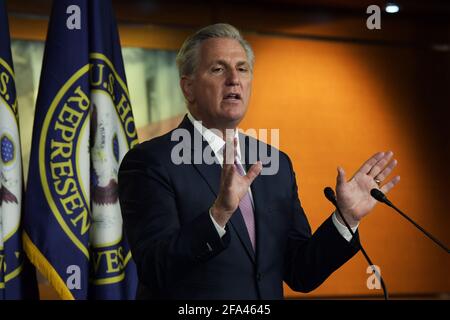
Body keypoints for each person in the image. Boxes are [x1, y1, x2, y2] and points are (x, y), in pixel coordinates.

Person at [118, 23, 400, 300]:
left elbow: (301, 272)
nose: (234, 79)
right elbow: (155, 268)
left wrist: (345, 219)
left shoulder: (274, 163)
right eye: (218, 69)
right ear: (188, 88)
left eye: (242, 68)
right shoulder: (149, 162)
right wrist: (219, 215)